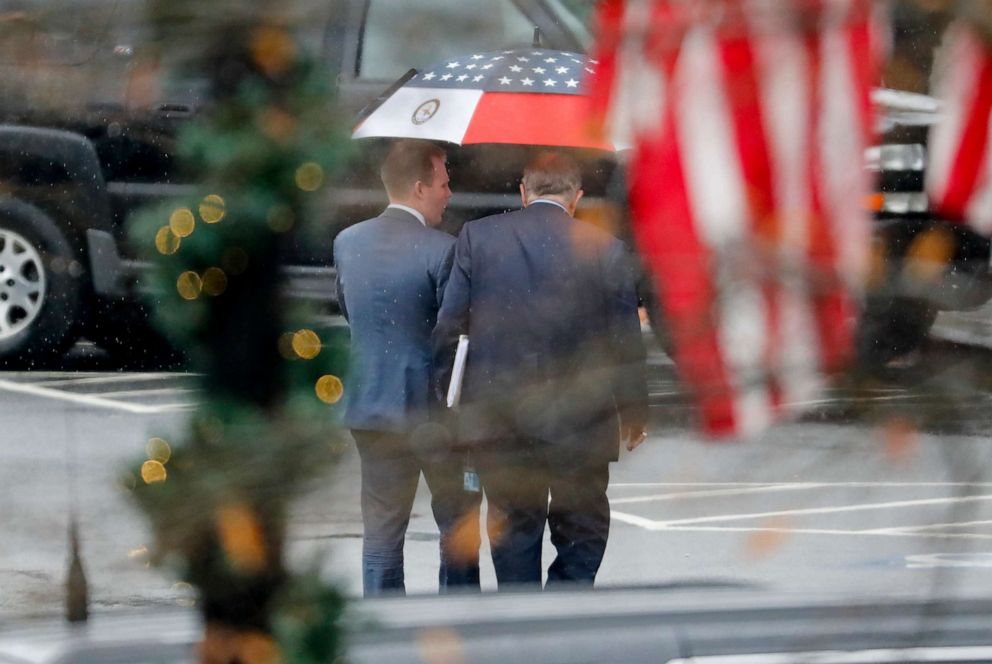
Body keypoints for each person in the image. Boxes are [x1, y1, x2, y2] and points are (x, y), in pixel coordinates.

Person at [432, 152, 649, 589]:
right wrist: (634, 413)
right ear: (577, 197)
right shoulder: (607, 249)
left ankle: (522, 620)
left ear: (523, 191)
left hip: (501, 418)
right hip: (582, 422)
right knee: (582, 530)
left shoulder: (479, 238)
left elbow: (449, 329)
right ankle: (563, 612)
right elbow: (626, 344)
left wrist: (448, 398)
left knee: (513, 530)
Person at [334, 139, 480, 596]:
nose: (449, 192)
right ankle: (457, 624)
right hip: (436, 415)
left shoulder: (347, 241)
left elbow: (350, 311)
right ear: (419, 188)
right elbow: (454, 331)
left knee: (381, 535)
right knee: (458, 523)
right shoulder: (444, 249)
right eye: (443, 183)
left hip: (370, 406)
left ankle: (385, 636)